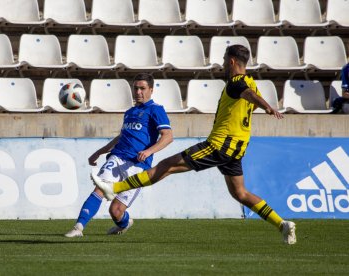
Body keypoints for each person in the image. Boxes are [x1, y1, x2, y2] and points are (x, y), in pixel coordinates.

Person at [92, 45, 297, 245]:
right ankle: (282, 224)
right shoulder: (252, 82)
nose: (224, 64)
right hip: (236, 149)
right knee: (240, 193)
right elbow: (249, 95)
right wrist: (265, 105)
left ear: (232, 61)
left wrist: (268, 107)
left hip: (219, 145)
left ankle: (114, 188)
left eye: (226, 61)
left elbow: (248, 95)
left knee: (166, 166)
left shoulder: (237, 82)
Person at [65, 73, 173, 237]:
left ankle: (124, 223)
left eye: (142, 88)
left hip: (138, 166)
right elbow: (122, 137)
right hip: (118, 158)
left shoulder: (156, 110)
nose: (138, 92)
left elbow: (168, 136)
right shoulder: (130, 112)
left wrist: (149, 151)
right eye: (135, 88)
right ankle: (78, 227)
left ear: (151, 89)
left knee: (115, 211)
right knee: (99, 188)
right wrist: (100, 152)